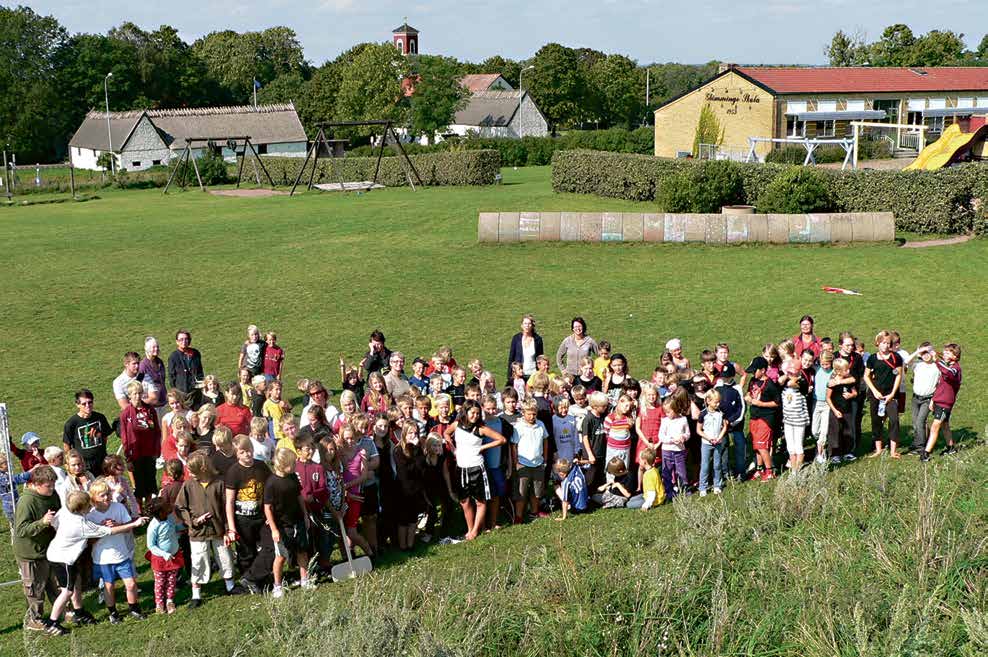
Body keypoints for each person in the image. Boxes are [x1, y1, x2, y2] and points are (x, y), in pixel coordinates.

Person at [45, 490, 146, 635]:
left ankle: (79, 613)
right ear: (81, 509)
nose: (90, 506)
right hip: (63, 559)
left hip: (56, 554)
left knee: (73, 586)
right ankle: (52, 623)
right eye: (88, 505)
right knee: (67, 592)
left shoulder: (65, 511)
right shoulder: (81, 525)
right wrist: (135, 524)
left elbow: (54, 523)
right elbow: (110, 531)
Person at [243, 448, 312, 598]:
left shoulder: (293, 477)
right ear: (282, 465)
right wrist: (274, 529)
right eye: (293, 463)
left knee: (302, 551)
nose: (295, 465)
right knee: (281, 556)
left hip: (298, 521)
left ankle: (305, 579)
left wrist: (305, 515)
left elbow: (299, 496)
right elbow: (267, 508)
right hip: (282, 526)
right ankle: (277, 585)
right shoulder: (271, 483)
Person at [86, 478, 145, 623]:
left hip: (121, 554)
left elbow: (128, 528)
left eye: (107, 494)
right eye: (102, 495)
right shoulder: (90, 515)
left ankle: (134, 609)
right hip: (103, 558)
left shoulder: (118, 507)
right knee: (109, 586)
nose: (106, 497)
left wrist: (118, 525)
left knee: (131, 584)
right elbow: (89, 541)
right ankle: (113, 612)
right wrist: (102, 529)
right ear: (93, 498)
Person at [13, 465, 62, 633]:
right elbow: (21, 530)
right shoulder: (27, 502)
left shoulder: (52, 494)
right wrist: (42, 522)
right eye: (48, 485)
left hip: (50, 549)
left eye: (53, 484)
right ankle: (35, 619)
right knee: (35, 589)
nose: (52, 488)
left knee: (55, 583)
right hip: (30, 553)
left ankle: (61, 611)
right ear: (36, 483)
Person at [451, 400, 507, 540]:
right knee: (464, 501)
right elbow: (446, 433)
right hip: (461, 468)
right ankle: (470, 529)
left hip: (477, 468)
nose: (475, 416)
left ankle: (475, 531)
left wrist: (483, 448)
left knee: (480, 501)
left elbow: (501, 439)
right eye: (472, 413)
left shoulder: (481, 428)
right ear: (465, 412)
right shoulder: (457, 424)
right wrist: (453, 449)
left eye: (477, 413)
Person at [224, 434, 271, 577]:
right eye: (242, 452)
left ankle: (261, 575)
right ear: (236, 454)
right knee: (246, 551)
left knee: (267, 547)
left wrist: (271, 513)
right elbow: (230, 501)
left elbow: (270, 490)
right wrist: (231, 527)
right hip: (242, 520)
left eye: (249, 450)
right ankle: (247, 578)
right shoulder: (233, 472)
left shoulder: (261, 466)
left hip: (261, 516)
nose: (247, 454)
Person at [119, 380, 161, 510]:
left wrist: (157, 451)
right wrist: (128, 458)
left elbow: (157, 431)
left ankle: (149, 507)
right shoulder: (126, 414)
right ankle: (139, 509)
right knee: (139, 484)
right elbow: (125, 437)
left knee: (150, 481)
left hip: (150, 452)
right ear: (129, 395)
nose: (137, 396)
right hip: (136, 454)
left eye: (139, 393)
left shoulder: (150, 410)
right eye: (134, 394)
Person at [863, 331, 904, 458]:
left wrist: (892, 394)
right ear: (877, 343)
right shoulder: (872, 358)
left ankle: (893, 451)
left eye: (887, 343)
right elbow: (866, 376)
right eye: (883, 343)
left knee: (894, 420)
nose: (885, 346)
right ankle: (878, 449)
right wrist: (874, 391)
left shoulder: (896, 357)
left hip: (890, 395)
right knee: (876, 421)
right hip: (876, 394)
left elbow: (898, 376)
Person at [922, 343, 962, 462]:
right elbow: (940, 385)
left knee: (935, 427)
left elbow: (947, 372)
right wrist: (933, 399)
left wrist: (936, 361)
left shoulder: (955, 369)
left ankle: (926, 453)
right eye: (944, 351)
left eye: (948, 352)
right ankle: (951, 448)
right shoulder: (947, 365)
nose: (944, 353)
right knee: (945, 426)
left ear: (955, 356)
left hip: (946, 403)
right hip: (939, 400)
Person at [144, 497, 183, 615]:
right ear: (160, 512)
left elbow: (175, 528)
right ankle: (159, 604)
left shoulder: (170, 518)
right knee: (160, 582)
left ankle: (169, 601)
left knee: (171, 580)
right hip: (160, 559)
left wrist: (184, 526)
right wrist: (164, 554)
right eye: (167, 506)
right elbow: (151, 545)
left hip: (173, 556)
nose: (170, 506)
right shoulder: (153, 526)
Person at [745, 356, 781, 481]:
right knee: (756, 445)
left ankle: (770, 471)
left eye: (755, 371)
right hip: (754, 416)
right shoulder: (753, 381)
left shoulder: (770, 385)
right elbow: (750, 392)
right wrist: (748, 396)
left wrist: (760, 404)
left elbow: (777, 403)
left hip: (765, 419)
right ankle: (759, 469)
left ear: (763, 370)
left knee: (762, 446)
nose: (753, 373)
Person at [62, 389, 112, 477]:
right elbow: (67, 446)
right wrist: (72, 464)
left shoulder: (100, 418)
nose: (87, 406)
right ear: (77, 404)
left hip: (102, 461)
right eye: (84, 404)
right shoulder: (71, 423)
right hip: (83, 465)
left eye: (90, 402)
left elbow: (105, 437)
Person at [391, 425, 427, 550]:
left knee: (413, 519)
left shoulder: (418, 449)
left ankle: (411, 544)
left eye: (415, 433)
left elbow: (422, 467)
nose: (413, 436)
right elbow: (405, 472)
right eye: (410, 433)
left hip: (416, 489)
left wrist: (416, 449)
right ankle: (403, 545)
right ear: (404, 434)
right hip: (403, 490)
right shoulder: (398, 450)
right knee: (403, 520)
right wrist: (413, 452)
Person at [907, 343, 939, 454]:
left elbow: (940, 385)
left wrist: (933, 401)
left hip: (928, 399)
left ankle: (920, 447)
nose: (926, 355)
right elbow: (906, 361)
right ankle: (918, 442)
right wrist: (917, 352)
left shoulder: (937, 367)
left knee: (920, 422)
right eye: (923, 353)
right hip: (916, 398)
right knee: (915, 422)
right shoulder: (918, 365)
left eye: (928, 353)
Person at [659, 391, 691, 500]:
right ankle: (668, 491)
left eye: (669, 412)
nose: (667, 414)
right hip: (667, 450)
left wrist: (683, 438)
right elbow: (661, 437)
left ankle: (684, 488)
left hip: (679, 450)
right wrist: (672, 440)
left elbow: (688, 433)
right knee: (667, 471)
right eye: (665, 412)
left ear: (675, 409)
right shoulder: (665, 421)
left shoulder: (683, 420)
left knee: (681, 471)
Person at [826, 358, 858, 464]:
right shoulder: (832, 382)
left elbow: (855, 392)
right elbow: (828, 398)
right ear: (839, 371)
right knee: (835, 432)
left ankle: (847, 452)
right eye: (846, 370)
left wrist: (851, 395)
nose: (848, 371)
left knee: (847, 431)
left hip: (847, 410)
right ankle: (835, 454)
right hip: (836, 410)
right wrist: (834, 411)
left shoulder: (848, 379)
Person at [697, 389, 728, 496]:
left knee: (717, 465)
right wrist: (708, 438)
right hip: (706, 443)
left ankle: (717, 485)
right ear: (708, 401)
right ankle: (703, 487)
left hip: (718, 443)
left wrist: (719, 437)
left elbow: (724, 426)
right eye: (716, 402)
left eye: (719, 401)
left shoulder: (720, 413)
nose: (718, 404)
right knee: (705, 465)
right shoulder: (703, 414)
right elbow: (699, 430)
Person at [168, 329, 205, 408]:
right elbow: (172, 377)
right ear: (177, 342)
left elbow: (200, 372)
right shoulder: (173, 357)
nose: (184, 341)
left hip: (197, 392)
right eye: (181, 339)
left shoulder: (195, 353)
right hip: (183, 394)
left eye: (186, 339)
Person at [781, 372, 810, 472]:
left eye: (793, 373)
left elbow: (790, 384)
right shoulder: (784, 386)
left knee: (798, 446)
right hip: (788, 420)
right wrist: (786, 375)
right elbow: (780, 381)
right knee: (790, 447)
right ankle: (794, 471)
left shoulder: (802, 384)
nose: (791, 375)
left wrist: (794, 377)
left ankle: (798, 470)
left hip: (799, 420)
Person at [811, 352, 835, 463]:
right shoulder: (816, 369)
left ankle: (820, 453)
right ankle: (820, 444)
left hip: (827, 404)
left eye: (827, 364)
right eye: (822, 364)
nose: (824, 366)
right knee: (815, 430)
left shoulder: (833, 373)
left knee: (824, 431)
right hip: (816, 403)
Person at [507, 314, 544, 382]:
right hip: (519, 375)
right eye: (525, 323)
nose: (527, 326)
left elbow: (540, 358)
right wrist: (509, 376)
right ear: (522, 325)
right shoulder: (516, 339)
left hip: (533, 375)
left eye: (529, 324)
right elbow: (511, 358)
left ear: (532, 326)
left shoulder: (538, 339)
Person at [139, 337, 167, 411]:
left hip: (164, 402)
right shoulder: (143, 366)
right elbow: (138, 384)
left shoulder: (159, 362)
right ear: (147, 349)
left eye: (157, 346)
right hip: (152, 406)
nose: (156, 349)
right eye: (154, 347)